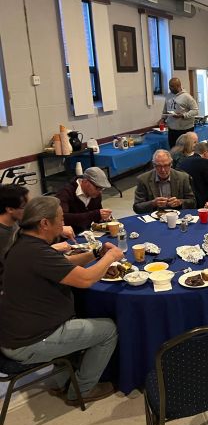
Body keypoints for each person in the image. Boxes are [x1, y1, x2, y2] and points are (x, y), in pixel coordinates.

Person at [0, 196, 124, 405]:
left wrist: (96, 253)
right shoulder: (36, 252)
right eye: (60, 219)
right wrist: (110, 257)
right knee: (108, 330)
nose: (63, 223)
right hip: (29, 341)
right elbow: (85, 280)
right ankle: (82, 390)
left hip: (18, 331)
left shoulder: (25, 242)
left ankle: (64, 381)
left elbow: (65, 263)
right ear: (44, 223)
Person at [55, 167, 113, 233]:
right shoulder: (65, 192)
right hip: (71, 234)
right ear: (85, 182)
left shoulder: (96, 195)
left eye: (102, 189)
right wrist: (95, 215)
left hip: (89, 233)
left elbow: (96, 216)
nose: (100, 192)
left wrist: (103, 218)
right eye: (97, 188)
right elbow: (62, 217)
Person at [157, 77, 199, 148]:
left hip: (185, 129)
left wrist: (183, 115)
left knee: (185, 149)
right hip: (172, 129)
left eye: (172, 86)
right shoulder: (168, 96)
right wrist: (163, 119)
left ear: (178, 86)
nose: (170, 88)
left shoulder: (187, 97)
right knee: (173, 149)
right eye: (169, 86)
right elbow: (165, 109)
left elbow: (195, 111)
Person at [177, 141, 208, 208]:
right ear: (205, 153)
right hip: (201, 200)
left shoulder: (184, 161)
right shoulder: (205, 162)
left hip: (185, 199)